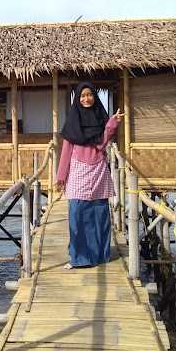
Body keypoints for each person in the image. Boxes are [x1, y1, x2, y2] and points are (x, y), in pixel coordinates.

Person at [55, 82, 124, 269]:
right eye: (82, 96)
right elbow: (66, 153)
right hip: (78, 171)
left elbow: (101, 143)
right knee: (77, 215)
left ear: (94, 97)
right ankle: (79, 258)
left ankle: (100, 256)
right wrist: (61, 177)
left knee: (99, 215)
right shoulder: (72, 124)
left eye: (90, 95)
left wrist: (112, 123)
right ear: (77, 99)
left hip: (98, 170)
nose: (87, 99)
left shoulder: (99, 118)